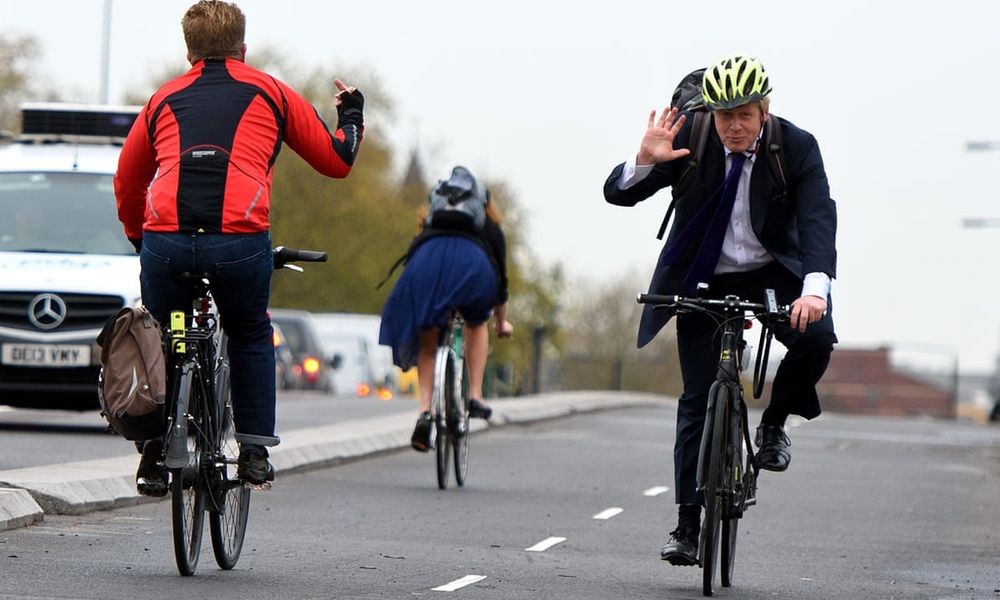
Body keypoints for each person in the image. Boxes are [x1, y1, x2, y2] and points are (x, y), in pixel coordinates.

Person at [113, 0, 364, 495]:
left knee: (161, 338)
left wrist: (142, 239)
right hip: (240, 242)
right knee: (249, 332)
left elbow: (127, 182)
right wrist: (352, 113)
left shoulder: (162, 99)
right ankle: (252, 452)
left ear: (189, 52)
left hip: (167, 241)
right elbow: (338, 160)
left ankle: (152, 454)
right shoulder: (271, 92)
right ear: (242, 49)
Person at [603, 53, 838, 566]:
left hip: (775, 270)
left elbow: (818, 218)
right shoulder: (694, 137)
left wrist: (814, 290)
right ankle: (687, 524)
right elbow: (618, 195)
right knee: (695, 397)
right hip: (704, 271)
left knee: (817, 342)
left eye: (744, 115)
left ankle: (773, 423)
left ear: (764, 111)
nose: (733, 126)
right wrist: (644, 160)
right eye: (724, 115)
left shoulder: (794, 147)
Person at [379, 166, 513, 452]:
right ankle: (475, 395)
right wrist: (502, 323)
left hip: (427, 264)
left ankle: (425, 410)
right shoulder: (489, 226)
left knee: (429, 339)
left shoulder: (431, 220)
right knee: (477, 322)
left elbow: (414, 253)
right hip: (472, 266)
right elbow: (501, 283)